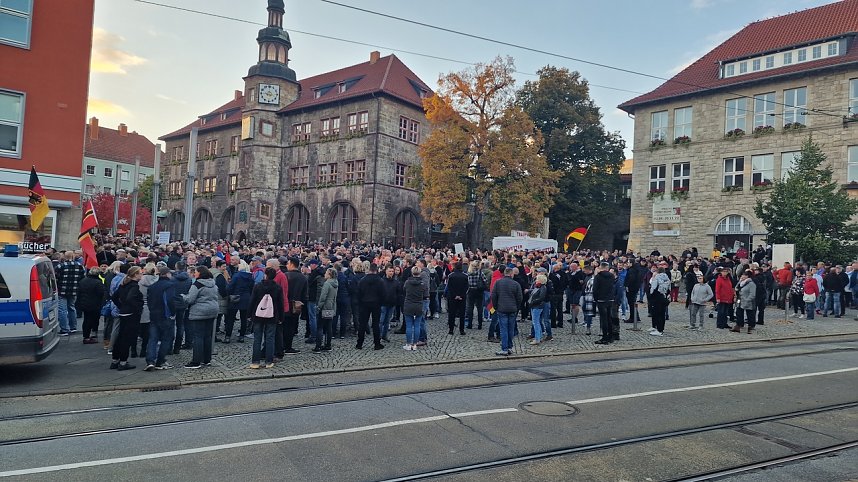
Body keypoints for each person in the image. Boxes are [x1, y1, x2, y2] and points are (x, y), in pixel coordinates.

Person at [183, 266, 220, 369]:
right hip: (212, 310)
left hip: (200, 312)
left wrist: (183, 297)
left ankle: (196, 361)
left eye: (196, 272)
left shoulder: (197, 284)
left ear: (200, 273)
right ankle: (206, 359)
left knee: (198, 336)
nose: (194, 273)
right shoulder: (213, 283)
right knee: (207, 336)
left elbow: (190, 299)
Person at [248, 267, 284, 368]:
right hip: (272, 316)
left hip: (258, 315)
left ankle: (255, 362)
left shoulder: (257, 286)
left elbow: (252, 301)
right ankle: (269, 361)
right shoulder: (277, 288)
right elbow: (280, 304)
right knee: (270, 338)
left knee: (257, 339)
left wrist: (249, 314)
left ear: (265, 275)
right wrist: (281, 317)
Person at [110, 266, 144, 371]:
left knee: (120, 337)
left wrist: (121, 306)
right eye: (140, 273)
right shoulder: (134, 286)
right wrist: (137, 308)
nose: (142, 275)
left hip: (123, 313)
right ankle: (123, 362)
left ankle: (115, 360)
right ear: (135, 275)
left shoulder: (123, 284)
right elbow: (130, 298)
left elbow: (114, 297)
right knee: (127, 339)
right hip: (131, 314)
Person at [144, 266, 176, 370]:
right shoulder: (170, 285)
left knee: (153, 339)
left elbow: (148, 300)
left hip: (154, 314)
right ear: (167, 274)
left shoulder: (152, 286)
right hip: (165, 315)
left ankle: (150, 361)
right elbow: (170, 300)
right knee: (166, 339)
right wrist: (173, 313)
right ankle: (160, 361)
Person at [491, 268, 522, 356]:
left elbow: (493, 296)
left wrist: (496, 306)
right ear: (511, 274)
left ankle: (504, 348)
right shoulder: (516, 284)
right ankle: (509, 347)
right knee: (511, 329)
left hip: (502, 308)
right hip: (512, 309)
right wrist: (517, 307)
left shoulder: (498, 283)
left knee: (503, 329)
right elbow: (520, 298)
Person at [356, 263, 385, 350]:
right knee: (376, 324)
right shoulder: (380, 281)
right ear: (376, 270)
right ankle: (377, 344)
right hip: (376, 304)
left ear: (369, 269)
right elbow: (383, 294)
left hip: (364, 303)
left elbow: (358, 293)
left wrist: (360, 302)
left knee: (362, 324)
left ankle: (359, 343)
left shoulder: (362, 280)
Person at [55, 251, 85, 335]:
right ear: (73, 256)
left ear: (64, 256)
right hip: (74, 290)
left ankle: (64, 329)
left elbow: (56, 278)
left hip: (62, 291)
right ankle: (73, 327)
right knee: (72, 308)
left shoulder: (60, 266)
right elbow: (82, 278)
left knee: (62, 310)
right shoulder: (80, 266)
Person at [225, 263, 254, 343]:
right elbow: (252, 287)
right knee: (243, 319)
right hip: (246, 298)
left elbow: (230, 287)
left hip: (235, 297)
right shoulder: (250, 277)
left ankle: (228, 336)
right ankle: (241, 336)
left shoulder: (236, 276)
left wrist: (229, 294)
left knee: (230, 318)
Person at [76, 267, 107, 344]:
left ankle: (85, 336)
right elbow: (101, 293)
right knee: (95, 319)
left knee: (86, 320)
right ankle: (94, 334)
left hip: (84, 303)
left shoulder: (82, 281)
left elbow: (78, 292)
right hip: (95, 304)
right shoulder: (98, 282)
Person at [281, 258, 304, 356]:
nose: (286, 265)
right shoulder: (303, 277)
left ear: (292, 264)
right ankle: (288, 346)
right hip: (297, 305)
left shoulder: (285, 275)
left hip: (285, 303)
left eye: (288, 263)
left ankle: (282, 345)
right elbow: (305, 294)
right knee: (291, 327)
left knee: (283, 326)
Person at [314, 268, 338, 353]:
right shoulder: (335, 283)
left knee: (320, 327)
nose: (325, 274)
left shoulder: (327, 284)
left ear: (329, 274)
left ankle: (318, 346)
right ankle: (328, 345)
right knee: (328, 326)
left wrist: (319, 307)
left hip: (325, 307)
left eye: (326, 273)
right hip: (331, 306)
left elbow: (323, 297)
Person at [402, 266, 425, 351]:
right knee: (417, 326)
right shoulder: (422, 283)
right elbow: (425, 292)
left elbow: (404, 290)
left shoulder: (407, 282)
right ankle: (415, 344)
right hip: (418, 305)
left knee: (408, 326)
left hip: (408, 304)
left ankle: (408, 344)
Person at [593, 263, 617, 344]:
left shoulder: (598, 277)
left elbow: (595, 289)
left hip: (601, 299)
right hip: (610, 299)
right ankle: (610, 336)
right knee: (609, 318)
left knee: (603, 319)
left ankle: (604, 337)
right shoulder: (612, 276)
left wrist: (596, 299)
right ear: (607, 268)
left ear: (600, 267)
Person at [446, 262, 468, 335]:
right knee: (462, 314)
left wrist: (455, 295)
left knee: (452, 313)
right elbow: (466, 287)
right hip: (462, 297)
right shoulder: (465, 276)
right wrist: (461, 295)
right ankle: (462, 330)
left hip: (452, 297)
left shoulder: (451, 276)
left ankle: (451, 329)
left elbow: (449, 287)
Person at [649, 266, 671, 336]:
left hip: (657, 297)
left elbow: (653, 288)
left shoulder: (657, 277)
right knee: (662, 314)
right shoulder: (667, 278)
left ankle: (658, 330)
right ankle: (661, 329)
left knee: (657, 313)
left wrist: (651, 295)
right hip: (664, 296)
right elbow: (669, 289)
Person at [464, 261, 486, 330]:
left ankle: (470, 324)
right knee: (480, 308)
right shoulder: (480, 273)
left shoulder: (468, 273)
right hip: (479, 291)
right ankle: (480, 324)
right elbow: (485, 281)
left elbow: (466, 283)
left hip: (470, 291)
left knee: (470, 308)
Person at [527, 274, 548, 345]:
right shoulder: (539, 287)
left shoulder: (543, 287)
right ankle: (539, 336)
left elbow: (541, 298)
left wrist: (533, 302)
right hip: (535, 306)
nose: (536, 280)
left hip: (537, 306)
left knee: (535, 322)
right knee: (537, 322)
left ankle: (537, 339)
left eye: (537, 279)